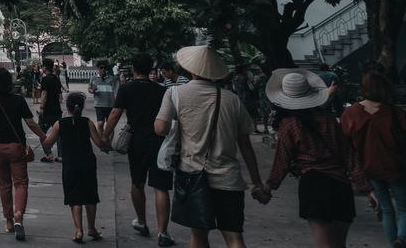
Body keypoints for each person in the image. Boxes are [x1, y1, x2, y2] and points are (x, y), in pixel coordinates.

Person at [155, 45, 265, 248]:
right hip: (228, 179)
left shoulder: (175, 93)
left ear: (191, 70)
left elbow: (160, 129)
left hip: (192, 176)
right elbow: (245, 145)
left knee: (198, 236)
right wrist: (256, 181)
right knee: (234, 237)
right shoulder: (232, 99)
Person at [260, 69, 368, 248]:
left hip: (314, 185)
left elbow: (282, 161)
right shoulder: (330, 120)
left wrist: (268, 187)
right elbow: (349, 155)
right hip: (341, 185)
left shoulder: (289, 125)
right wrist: (367, 188)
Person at [105, 54, 175, 247]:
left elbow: (115, 113)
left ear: (133, 68)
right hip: (159, 141)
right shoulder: (162, 90)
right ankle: (163, 232)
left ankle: (142, 222)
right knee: (161, 186)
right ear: (151, 68)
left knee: (137, 182)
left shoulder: (126, 88)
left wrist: (105, 136)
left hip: (136, 141)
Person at [0, 67, 49, 241]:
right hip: (16, 146)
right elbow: (30, 122)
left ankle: (9, 221)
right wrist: (44, 137)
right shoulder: (18, 100)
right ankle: (19, 215)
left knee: (4, 184)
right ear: (9, 82)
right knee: (20, 183)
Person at [342, 68, 406, 248]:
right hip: (396, 167)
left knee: (386, 209)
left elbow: (346, 144)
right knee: (403, 208)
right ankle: (401, 238)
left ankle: (395, 244)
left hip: (369, 167)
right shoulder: (395, 112)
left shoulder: (351, 113)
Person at [44, 91, 111, 243]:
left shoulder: (59, 124)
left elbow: (48, 142)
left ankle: (78, 230)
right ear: (81, 107)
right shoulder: (87, 122)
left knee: (74, 197)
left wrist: (45, 139)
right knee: (90, 196)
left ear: (67, 107)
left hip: (70, 165)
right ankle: (92, 228)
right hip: (87, 163)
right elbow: (99, 143)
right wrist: (107, 144)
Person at [40, 58, 65, 162]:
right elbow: (60, 96)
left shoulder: (45, 79)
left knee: (40, 132)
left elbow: (44, 94)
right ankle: (61, 156)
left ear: (45, 67)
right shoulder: (56, 78)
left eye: (42, 66)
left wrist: (42, 108)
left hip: (47, 111)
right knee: (59, 133)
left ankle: (48, 154)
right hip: (57, 110)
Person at [88, 60, 119, 131]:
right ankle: (101, 140)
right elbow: (89, 89)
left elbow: (116, 91)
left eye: (105, 68)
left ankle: (109, 142)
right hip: (99, 105)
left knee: (110, 125)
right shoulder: (93, 78)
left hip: (110, 105)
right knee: (100, 123)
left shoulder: (112, 78)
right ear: (98, 68)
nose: (103, 69)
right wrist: (93, 90)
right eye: (101, 67)